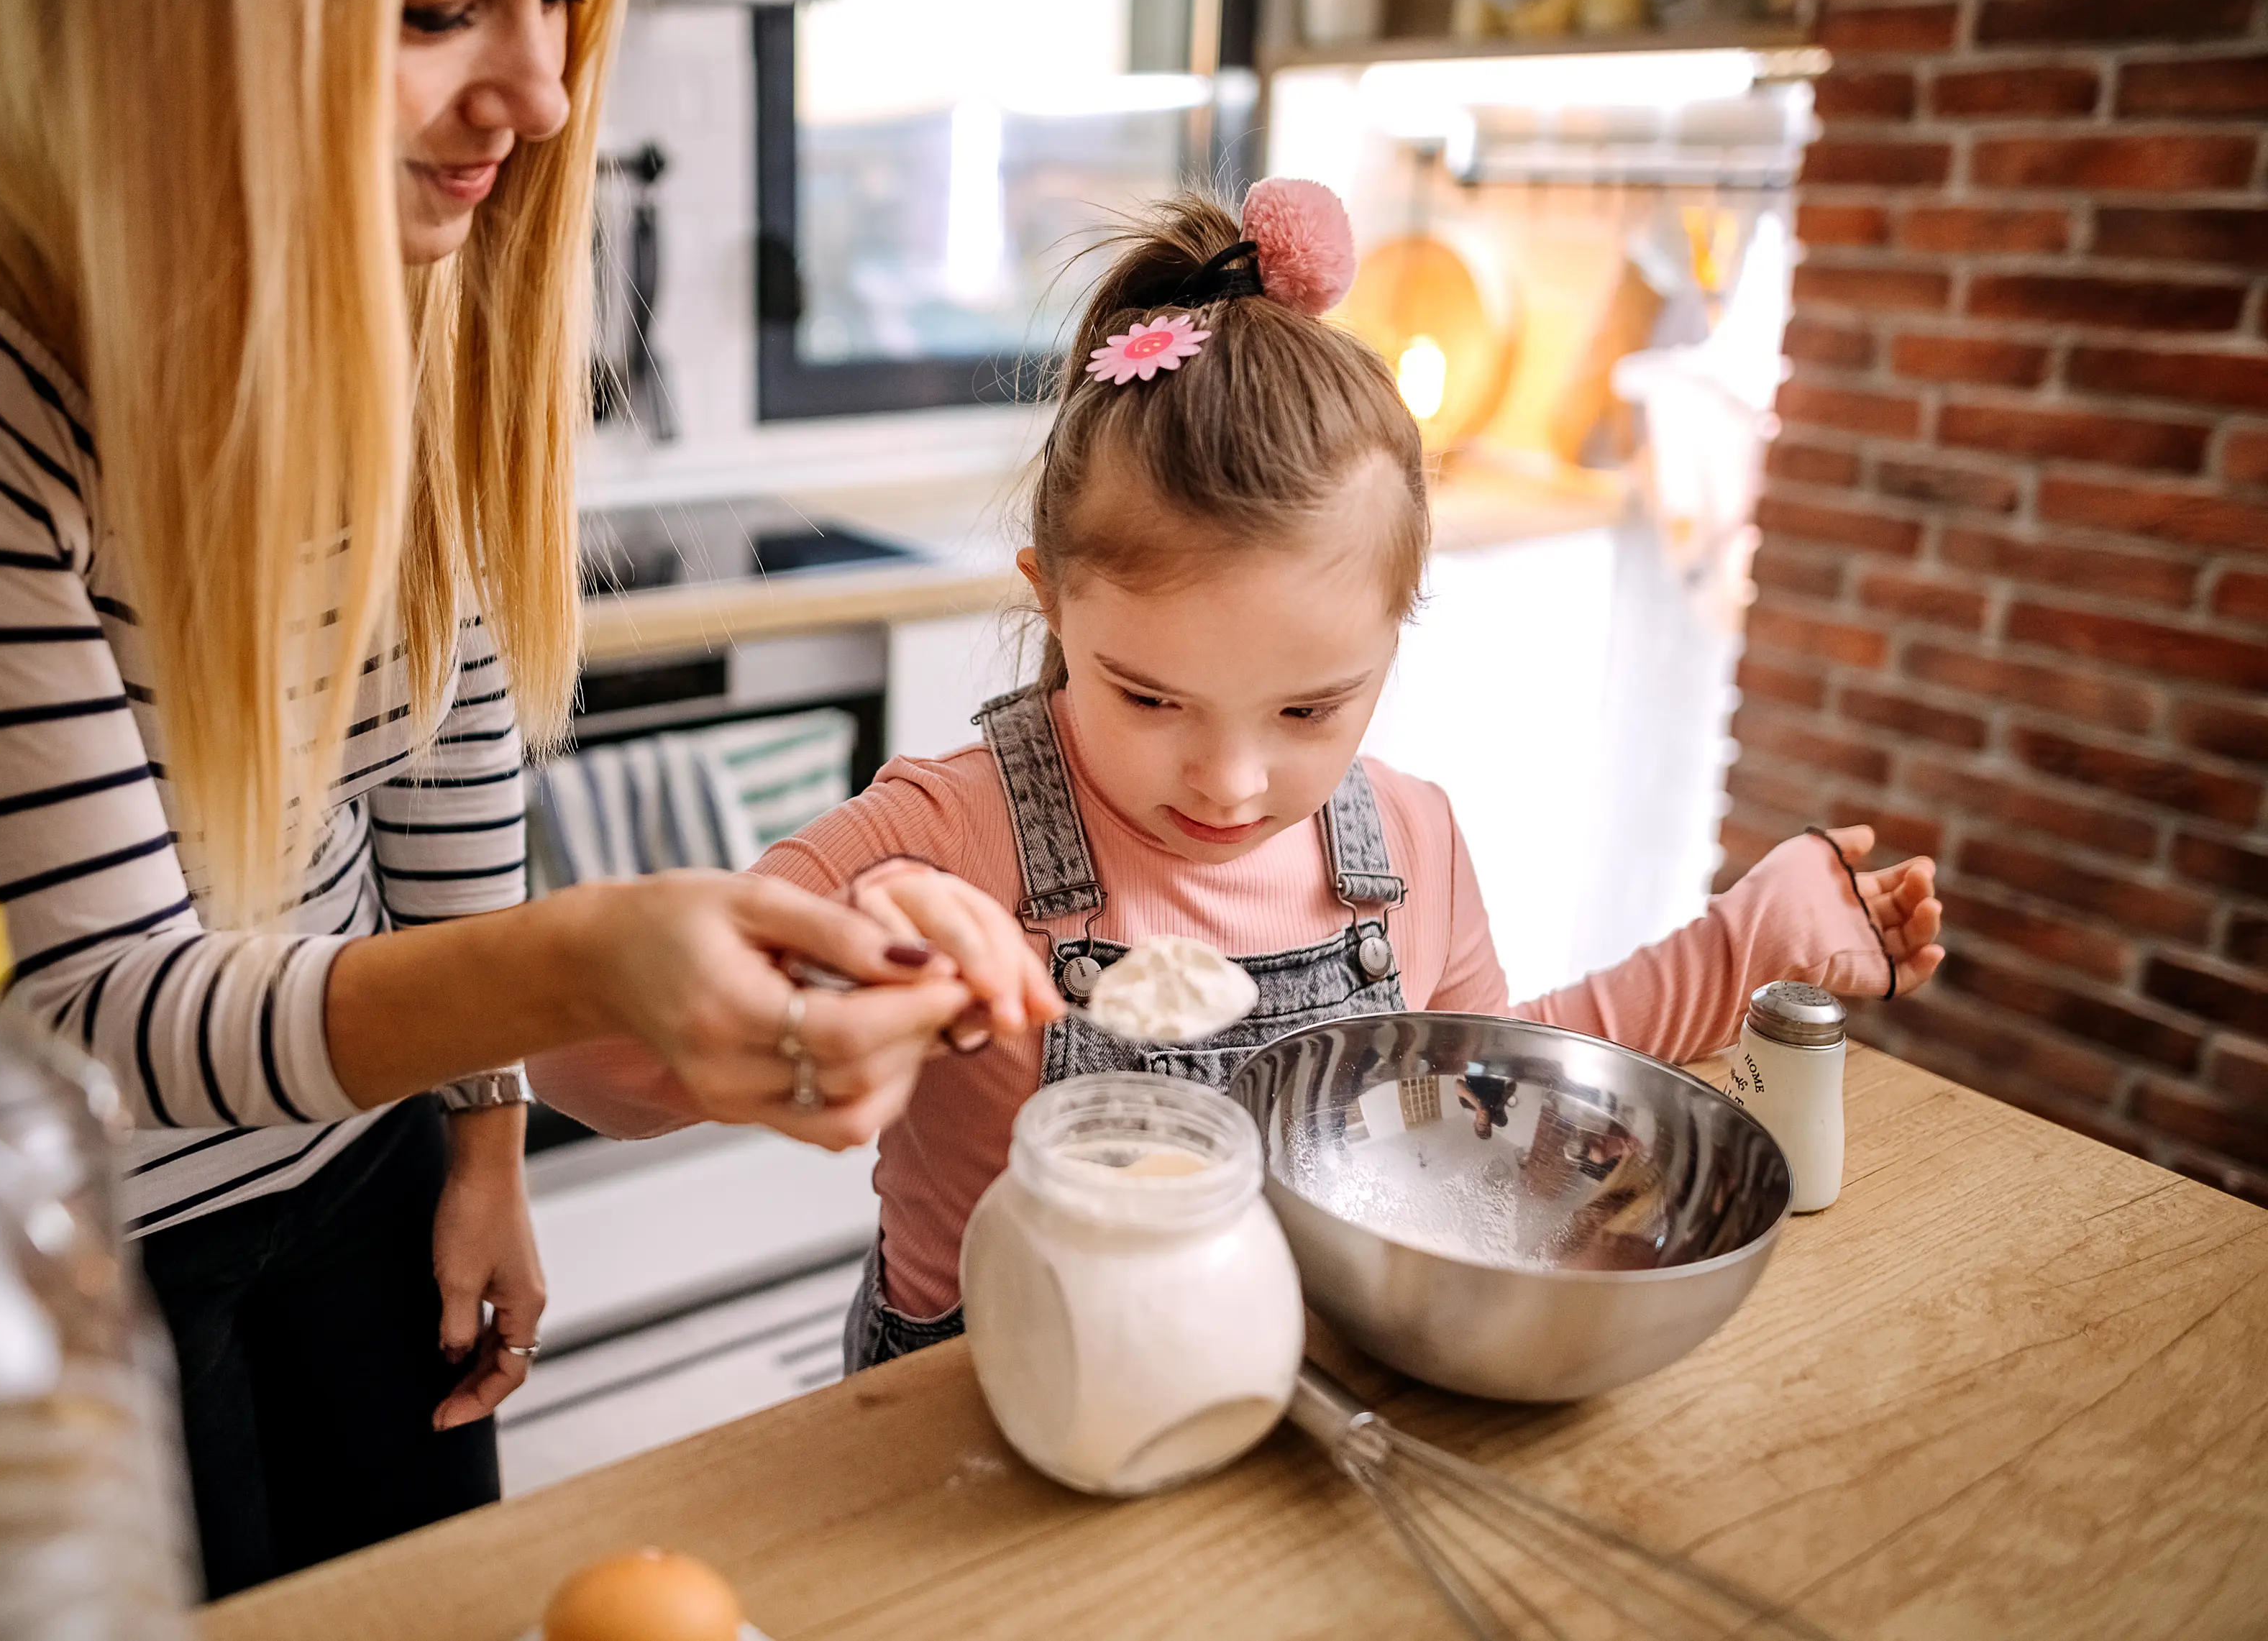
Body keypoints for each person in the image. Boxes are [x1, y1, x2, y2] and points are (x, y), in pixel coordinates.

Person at [0, 0, 1005, 1599]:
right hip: (39, 1252)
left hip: (357, 1163)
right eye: (437, 11)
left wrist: (479, 1136)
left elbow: (441, 745)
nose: (547, 93)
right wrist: (590, 957)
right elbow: (103, 1008)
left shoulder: (393, 262)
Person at [531, 182, 1947, 1371]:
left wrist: (1747, 939)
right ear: (1054, 600)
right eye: (1148, 694)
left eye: (1313, 705)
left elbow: (1492, 1112)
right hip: (983, 1403)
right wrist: (796, 998)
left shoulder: (1408, 840)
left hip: (1299, 1385)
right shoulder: (948, 835)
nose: (1228, 778)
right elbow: (590, 1069)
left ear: (1397, 636)